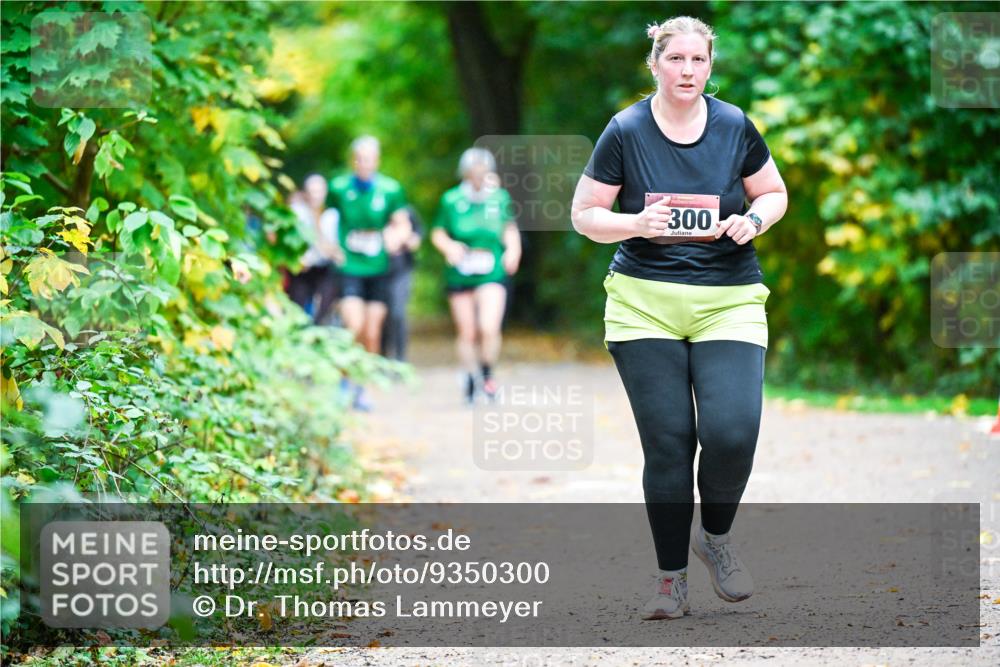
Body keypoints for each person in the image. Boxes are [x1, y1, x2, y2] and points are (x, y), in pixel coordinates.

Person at [571, 16, 788, 620]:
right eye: (676, 60)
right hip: (644, 302)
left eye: (698, 61)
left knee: (732, 433)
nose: (687, 71)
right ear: (655, 64)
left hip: (729, 298)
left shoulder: (735, 125)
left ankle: (715, 538)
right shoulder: (626, 129)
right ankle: (670, 583)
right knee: (669, 444)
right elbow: (585, 214)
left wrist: (756, 220)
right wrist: (635, 223)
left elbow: (773, 192)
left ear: (710, 66)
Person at [327, 136, 411, 409]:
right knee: (353, 325)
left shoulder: (390, 190)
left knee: (372, 332)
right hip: (351, 265)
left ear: (377, 161)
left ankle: (362, 387)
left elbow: (403, 224)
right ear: (354, 160)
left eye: (370, 159)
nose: (365, 164)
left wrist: (396, 238)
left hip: (378, 268)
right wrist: (328, 245)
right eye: (360, 158)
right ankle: (344, 380)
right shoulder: (338, 188)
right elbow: (322, 216)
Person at [432, 148, 521, 403]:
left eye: (484, 170)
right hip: (460, 271)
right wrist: (448, 246)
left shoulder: (499, 198)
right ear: (466, 172)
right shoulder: (451, 200)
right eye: (475, 170)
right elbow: (438, 232)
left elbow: (509, 228)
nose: (480, 175)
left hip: (491, 269)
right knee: (468, 331)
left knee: (489, 327)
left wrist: (513, 251)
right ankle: (470, 377)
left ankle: (487, 374)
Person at [287, 174, 341, 324]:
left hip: (323, 269)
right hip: (301, 270)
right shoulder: (296, 212)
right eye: (311, 192)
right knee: (297, 308)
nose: (315, 196)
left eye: (318, 192)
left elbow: (335, 250)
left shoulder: (331, 216)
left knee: (322, 311)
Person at [381, 206, 423, 362]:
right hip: (379, 272)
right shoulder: (380, 213)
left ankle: (400, 358)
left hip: (402, 271)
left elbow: (416, 239)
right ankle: (382, 356)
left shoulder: (409, 213)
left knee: (397, 313)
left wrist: (405, 237)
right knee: (381, 315)